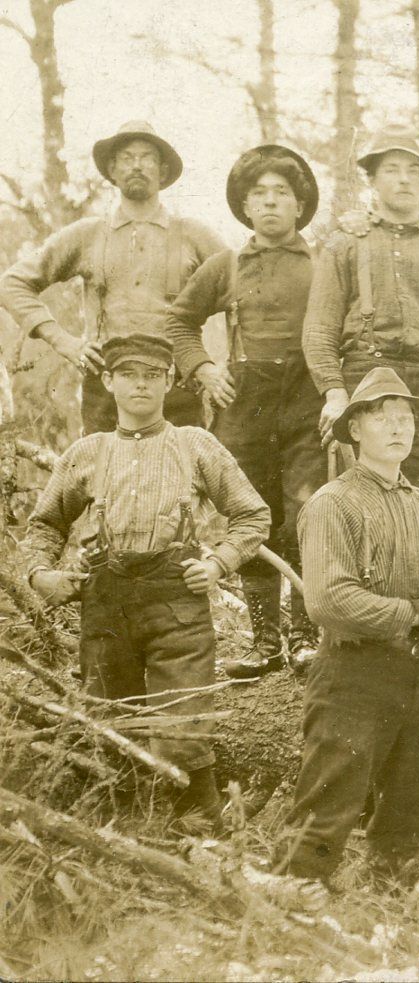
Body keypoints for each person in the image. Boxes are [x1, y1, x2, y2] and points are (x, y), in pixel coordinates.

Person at [21, 334, 269, 829]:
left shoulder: (195, 445)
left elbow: (252, 516)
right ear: (108, 381)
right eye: (129, 375)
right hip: (106, 604)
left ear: (169, 381)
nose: (141, 385)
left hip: (178, 603)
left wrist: (218, 564)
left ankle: (202, 828)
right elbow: (44, 525)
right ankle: (122, 831)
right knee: (111, 722)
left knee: (185, 722)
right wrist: (40, 574)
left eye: (152, 375)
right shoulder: (87, 452)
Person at [277, 366, 419, 886]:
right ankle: (292, 898)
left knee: (411, 805)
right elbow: (328, 600)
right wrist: (416, 613)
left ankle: (392, 899)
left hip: (416, 673)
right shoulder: (332, 503)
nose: (398, 427)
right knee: (329, 800)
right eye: (382, 417)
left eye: (405, 417)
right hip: (353, 672)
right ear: (355, 429)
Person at [165, 144, 326, 679]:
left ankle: (305, 638)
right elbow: (179, 322)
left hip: (306, 402)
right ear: (245, 206)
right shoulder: (226, 265)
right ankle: (265, 644)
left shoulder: (325, 266)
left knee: (305, 514)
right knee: (251, 516)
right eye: (260, 194)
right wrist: (204, 369)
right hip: (244, 405)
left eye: (282, 192)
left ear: (300, 205)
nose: (271, 202)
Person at [303, 124, 419, 518]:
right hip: (366, 381)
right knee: (362, 507)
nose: (404, 179)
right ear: (371, 179)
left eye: (413, 171)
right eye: (391, 169)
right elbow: (318, 331)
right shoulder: (344, 245)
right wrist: (335, 394)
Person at [1, 121, 226, 434]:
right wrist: (64, 341)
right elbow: (12, 283)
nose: (137, 165)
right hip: (106, 387)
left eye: (147, 157)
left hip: (177, 385)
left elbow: (245, 291)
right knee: (102, 464)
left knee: (182, 464)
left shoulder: (192, 234)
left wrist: (216, 366)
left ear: (162, 171)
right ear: (112, 170)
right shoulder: (89, 234)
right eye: (126, 158)